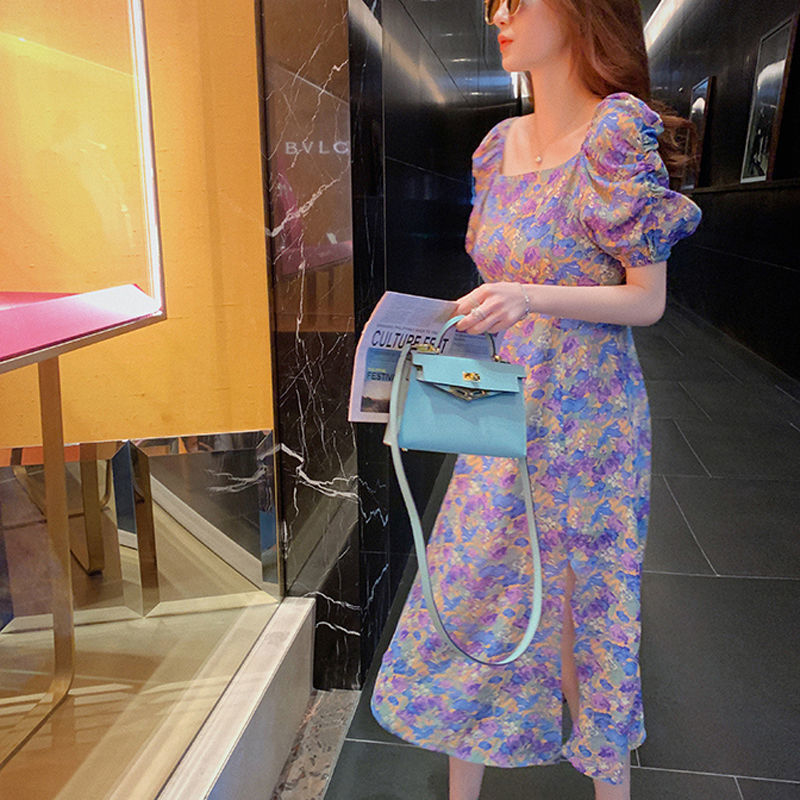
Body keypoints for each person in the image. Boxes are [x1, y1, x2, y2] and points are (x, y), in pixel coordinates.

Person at [369, 0, 702, 798]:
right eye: (494, 3)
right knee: (474, 583)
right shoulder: (496, 147)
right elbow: (497, 284)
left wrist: (529, 296)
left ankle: (609, 785)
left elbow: (647, 299)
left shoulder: (617, 134)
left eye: (517, 1)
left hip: (590, 418)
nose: (499, 17)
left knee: (587, 606)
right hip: (499, 397)